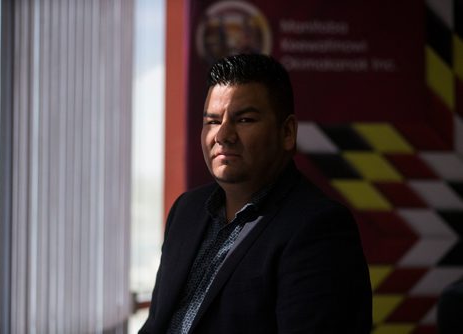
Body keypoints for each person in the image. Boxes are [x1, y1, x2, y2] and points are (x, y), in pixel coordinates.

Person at [139, 53, 372, 334]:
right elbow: (156, 324)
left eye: (245, 119)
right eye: (212, 121)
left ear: (287, 132)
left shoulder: (318, 228)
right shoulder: (186, 210)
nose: (223, 135)